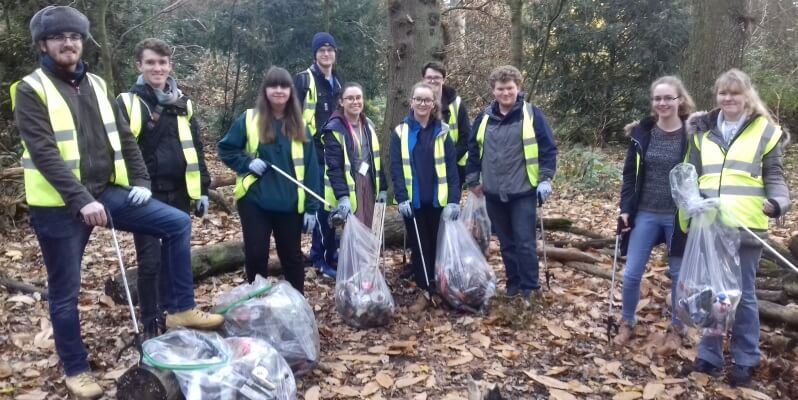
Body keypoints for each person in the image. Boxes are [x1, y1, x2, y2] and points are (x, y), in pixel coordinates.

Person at [11, 6, 223, 398]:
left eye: (73, 37)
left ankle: (178, 308)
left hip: (107, 190)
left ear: (81, 42)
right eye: (58, 37)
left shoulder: (95, 83)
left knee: (176, 224)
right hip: (59, 206)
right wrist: (80, 200)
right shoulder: (30, 88)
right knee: (65, 292)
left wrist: (140, 181)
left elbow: (124, 138)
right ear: (44, 44)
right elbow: (44, 153)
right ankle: (76, 368)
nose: (68, 43)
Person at [678, 69, 790, 386]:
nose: (728, 99)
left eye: (735, 94)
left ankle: (745, 360)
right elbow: (690, 175)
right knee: (713, 294)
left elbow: (776, 179)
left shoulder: (764, 132)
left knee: (744, 297)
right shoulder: (701, 131)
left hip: (746, 227)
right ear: (717, 97)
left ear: (746, 96)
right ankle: (709, 358)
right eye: (723, 93)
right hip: (710, 227)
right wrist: (691, 204)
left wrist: (778, 204)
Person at [116, 38, 211, 340]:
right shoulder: (129, 103)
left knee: (176, 255)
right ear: (139, 65)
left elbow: (195, 148)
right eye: (151, 62)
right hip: (145, 193)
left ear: (170, 65)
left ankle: (177, 313)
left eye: (162, 62)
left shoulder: (184, 103)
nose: (157, 68)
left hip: (179, 192)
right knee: (150, 260)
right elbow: (119, 149)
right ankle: (150, 322)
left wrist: (203, 190)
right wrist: (131, 186)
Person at [218, 66, 321, 295]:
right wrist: (246, 164)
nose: (278, 90)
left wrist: (313, 208)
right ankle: (257, 302)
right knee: (256, 254)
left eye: (284, 86)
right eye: (273, 85)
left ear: (291, 91)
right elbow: (226, 149)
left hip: (291, 203)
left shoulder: (302, 126)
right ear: (265, 90)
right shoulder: (249, 119)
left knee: (292, 257)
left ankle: (296, 304)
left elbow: (313, 169)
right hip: (255, 201)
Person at [613, 76, 696, 350]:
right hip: (645, 213)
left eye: (668, 98)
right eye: (657, 98)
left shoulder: (693, 135)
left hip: (679, 217)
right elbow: (629, 176)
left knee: (678, 275)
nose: (662, 103)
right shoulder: (642, 133)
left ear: (679, 100)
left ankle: (678, 327)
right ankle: (627, 322)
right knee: (632, 273)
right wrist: (626, 210)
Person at [465, 65, 558, 303]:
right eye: (500, 89)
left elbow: (548, 148)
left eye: (510, 88)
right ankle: (513, 284)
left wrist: (545, 178)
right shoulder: (484, 118)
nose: (505, 93)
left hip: (523, 191)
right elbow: (473, 150)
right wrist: (473, 178)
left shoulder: (531, 114)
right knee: (506, 243)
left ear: (518, 88)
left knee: (525, 242)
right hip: (493, 192)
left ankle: (530, 287)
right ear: (493, 91)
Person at [390, 81, 460, 313]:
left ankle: (441, 287)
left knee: (439, 246)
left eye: (427, 100)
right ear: (411, 102)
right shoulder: (400, 132)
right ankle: (424, 289)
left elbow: (451, 168)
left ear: (433, 104)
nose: (422, 103)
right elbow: (396, 168)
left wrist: (453, 200)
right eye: (418, 99)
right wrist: (401, 198)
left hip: (438, 201)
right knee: (421, 247)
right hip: (414, 201)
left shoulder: (443, 131)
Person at [295, 32, 343, 278]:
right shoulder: (304, 80)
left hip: (334, 152)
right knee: (321, 204)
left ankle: (330, 250)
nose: (326, 53)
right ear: (315, 54)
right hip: (312, 152)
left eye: (330, 49)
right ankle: (320, 257)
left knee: (332, 202)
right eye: (321, 50)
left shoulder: (337, 82)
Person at [322, 82, 387, 226]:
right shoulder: (334, 129)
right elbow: (334, 168)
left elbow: (375, 159)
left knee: (371, 231)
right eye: (350, 98)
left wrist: (383, 188)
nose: (355, 102)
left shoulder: (368, 124)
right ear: (341, 102)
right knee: (353, 235)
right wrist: (343, 197)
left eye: (358, 97)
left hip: (369, 184)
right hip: (349, 188)